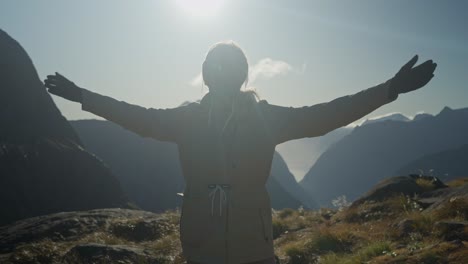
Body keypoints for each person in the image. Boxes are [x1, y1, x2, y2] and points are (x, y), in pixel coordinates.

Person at [44, 41, 437, 264]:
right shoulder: (188, 120)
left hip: (252, 241)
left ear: (240, 76)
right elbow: (137, 117)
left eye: (228, 69)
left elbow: (327, 115)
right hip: (203, 241)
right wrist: (84, 97)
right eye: (215, 68)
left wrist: (390, 90)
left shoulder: (266, 119)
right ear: (207, 74)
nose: (221, 75)